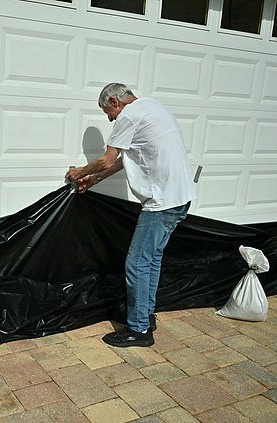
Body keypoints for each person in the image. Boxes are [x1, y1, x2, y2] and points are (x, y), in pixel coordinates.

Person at [65, 83, 196, 347]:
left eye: (107, 112)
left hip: (161, 203)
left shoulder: (129, 115)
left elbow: (106, 159)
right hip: (180, 198)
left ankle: (138, 330)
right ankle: (145, 316)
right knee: (151, 260)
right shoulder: (152, 107)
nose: (110, 119)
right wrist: (94, 180)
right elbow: (126, 159)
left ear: (115, 101)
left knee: (136, 263)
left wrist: (79, 172)